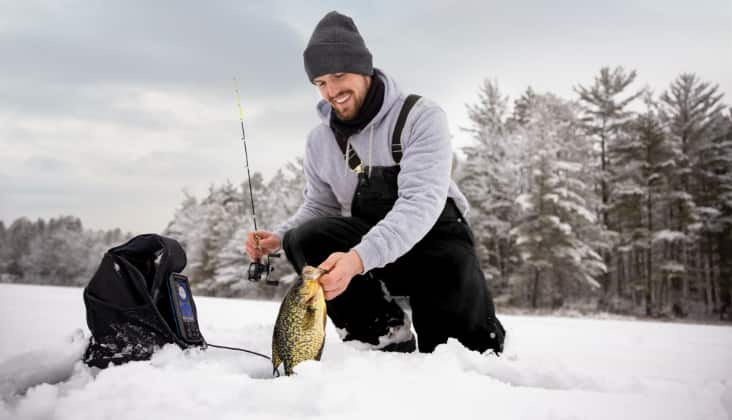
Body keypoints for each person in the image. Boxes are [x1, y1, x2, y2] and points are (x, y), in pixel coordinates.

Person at [245, 10, 505, 354]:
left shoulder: (420, 117)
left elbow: (420, 204)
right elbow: (320, 205)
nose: (331, 91)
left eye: (339, 75)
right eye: (320, 82)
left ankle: (467, 338)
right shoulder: (319, 141)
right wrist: (279, 237)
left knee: (460, 357)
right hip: (372, 252)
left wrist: (358, 259)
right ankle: (383, 333)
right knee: (303, 238)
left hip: (437, 252)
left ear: (364, 68)